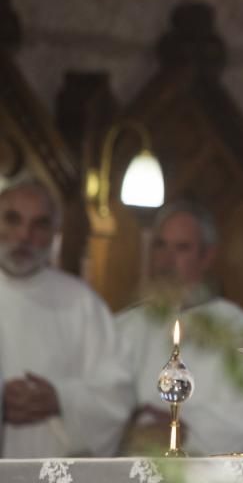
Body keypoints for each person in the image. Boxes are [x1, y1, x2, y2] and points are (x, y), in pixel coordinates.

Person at [115, 200, 243, 455]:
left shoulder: (241, 332)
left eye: (181, 248)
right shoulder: (124, 326)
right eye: (160, 246)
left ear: (207, 256)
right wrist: (126, 424)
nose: (166, 260)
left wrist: (182, 428)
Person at [0, 175, 130, 457]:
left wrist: (61, 399)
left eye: (40, 224)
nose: (24, 236)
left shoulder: (82, 303)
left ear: (56, 233)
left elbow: (116, 396)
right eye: (12, 219)